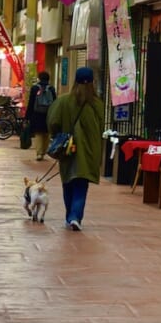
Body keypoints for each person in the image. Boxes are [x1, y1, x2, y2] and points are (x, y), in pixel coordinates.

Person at [47, 66, 102, 231]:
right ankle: (75, 216)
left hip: (67, 150)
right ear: (92, 82)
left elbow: (53, 122)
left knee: (68, 182)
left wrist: (58, 135)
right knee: (81, 184)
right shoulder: (97, 104)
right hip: (88, 151)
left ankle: (70, 215)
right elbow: (99, 129)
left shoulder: (63, 101)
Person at [26, 71, 57, 161]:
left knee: (38, 133)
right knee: (47, 133)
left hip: (37, 114)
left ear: (39, 78)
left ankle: (39, 153)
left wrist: (28, 116)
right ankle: (44, 151)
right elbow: (55, 102)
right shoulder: (51, 89)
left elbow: (31, 102)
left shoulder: (35, 88)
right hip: (48, 114)